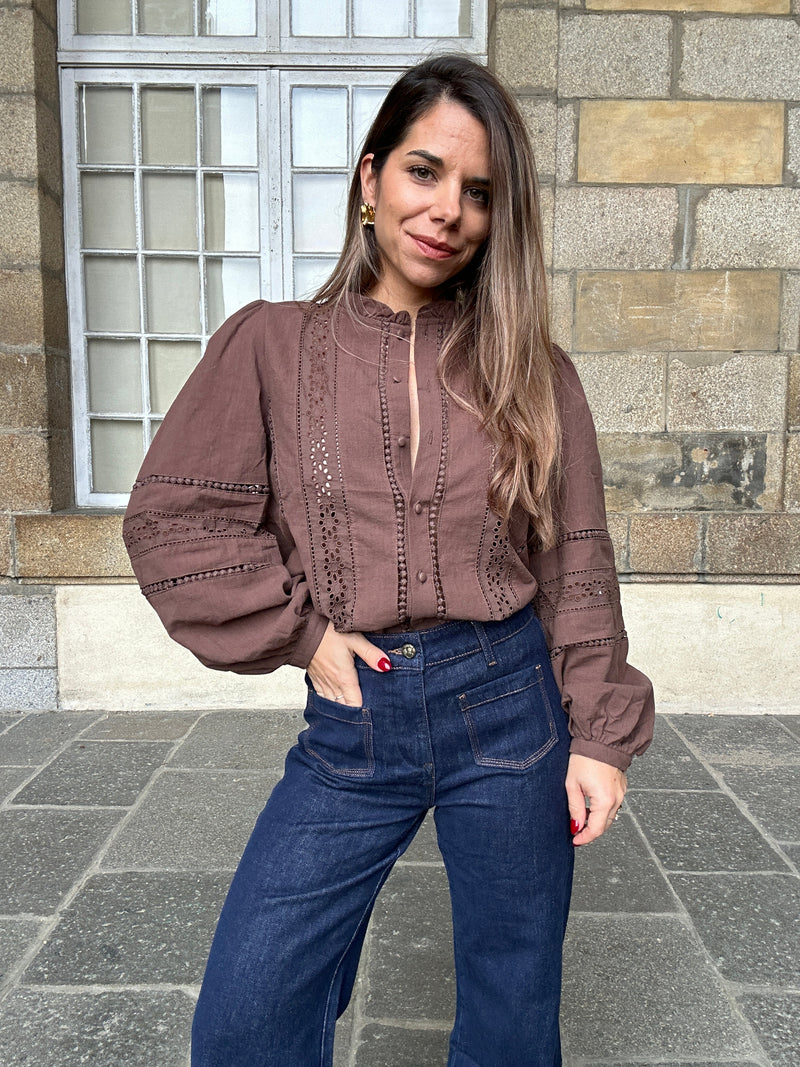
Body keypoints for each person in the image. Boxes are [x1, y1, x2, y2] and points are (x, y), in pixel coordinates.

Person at [123, 53, 654, 1067]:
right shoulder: (270, 346)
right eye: (423, 171)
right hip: (356, 714)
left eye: (478, 192)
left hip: (510, 704)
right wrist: (303, 633)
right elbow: (174, 519)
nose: (447, 209)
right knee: (247, 1013)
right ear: (369, 178)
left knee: (511, 1011)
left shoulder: (535, 371)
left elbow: (575, 562)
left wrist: (597, 736)